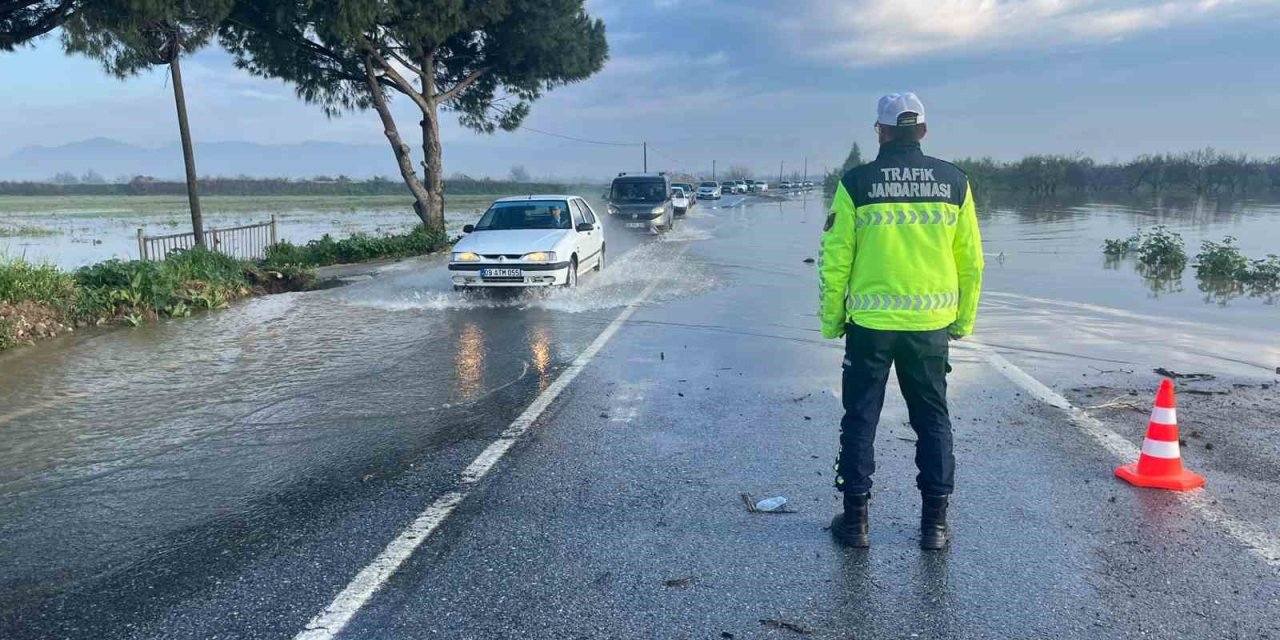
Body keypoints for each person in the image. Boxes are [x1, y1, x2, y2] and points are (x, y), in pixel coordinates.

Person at [818, 93, 985, 550]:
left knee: (860, 418)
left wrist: (833, 320)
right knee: (932, 420)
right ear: (924, 131)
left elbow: (834, 259)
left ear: (881, 132)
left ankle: (856, 523)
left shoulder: (856, 183)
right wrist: (963, 320)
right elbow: (971, 260)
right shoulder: (955, 182)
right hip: (930, 326)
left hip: (870, 326)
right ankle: (934, 526)